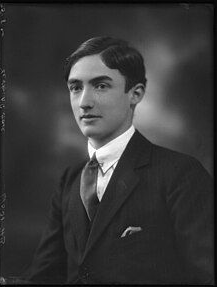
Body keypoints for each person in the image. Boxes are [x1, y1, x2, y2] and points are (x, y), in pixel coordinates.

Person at [24, 37, 214, 284]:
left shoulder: (181, 174)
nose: (84, 102)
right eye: (75, 88)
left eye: (101, 86)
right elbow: (44, 276)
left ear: (135, 94)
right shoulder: (70, 180)